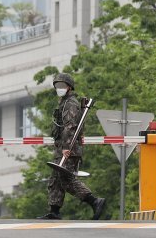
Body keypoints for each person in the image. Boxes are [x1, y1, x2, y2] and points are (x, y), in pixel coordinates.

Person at [38, 73, 106, 220]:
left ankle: (94, 201)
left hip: (68, 149)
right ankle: (54, 211)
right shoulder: (64, 102)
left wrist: (66, 147)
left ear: (69, 87)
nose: (59, 88)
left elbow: (70, 127)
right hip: (63, 148)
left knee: (66, 180)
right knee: (56, 179)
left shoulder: (70, 103)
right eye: (57, 86)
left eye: (62, 86)